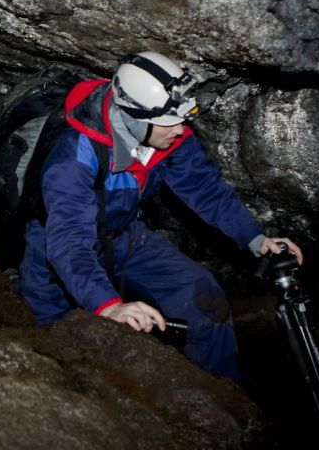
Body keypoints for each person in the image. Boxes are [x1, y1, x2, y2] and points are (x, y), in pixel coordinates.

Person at [18, 51, 303, 385]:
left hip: (124, 236)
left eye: (182, 119)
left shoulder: (168, 134)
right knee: (58, 355)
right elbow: (68, 241)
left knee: (204, 301)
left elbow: (204, 187)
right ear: (135, 117)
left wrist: (255, 238)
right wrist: (109, 306)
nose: (181, 130)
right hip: (56, 251)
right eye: (171, 122)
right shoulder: (74, 157)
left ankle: (223, 405)